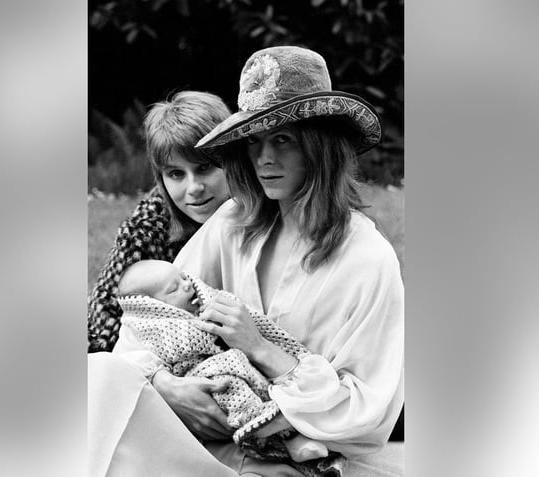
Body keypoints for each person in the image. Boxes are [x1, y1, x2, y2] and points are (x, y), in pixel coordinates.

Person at [108, 46, 404, 476]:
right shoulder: (233, 223)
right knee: (94, 384)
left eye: (283, 140)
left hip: (306, 455)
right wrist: (165, 385)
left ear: (321, 147)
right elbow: (145, 323)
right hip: (204, 436)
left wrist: (260, 347)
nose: (264, 159)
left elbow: (366, 410)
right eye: (255, 142)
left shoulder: (368, 260)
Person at [115, 259, 343, 475]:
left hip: (242, 367)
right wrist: (160, 377)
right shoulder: (145, 328)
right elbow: (128, 363)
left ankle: (290, 436)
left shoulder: (213, 302)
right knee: (231, 389)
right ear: (153, 306)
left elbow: (256, 324)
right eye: (174, 289)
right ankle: (271, 434)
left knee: (260, 385)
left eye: (183, 277)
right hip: (204, 381)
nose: (186, 285)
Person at [87, 91, 232, 353]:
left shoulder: (261, 210)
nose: (194, 187)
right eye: (176, 174)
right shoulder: (149, 225)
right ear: (161, 178)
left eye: (204, 167)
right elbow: (100, 320)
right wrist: (156, 376)